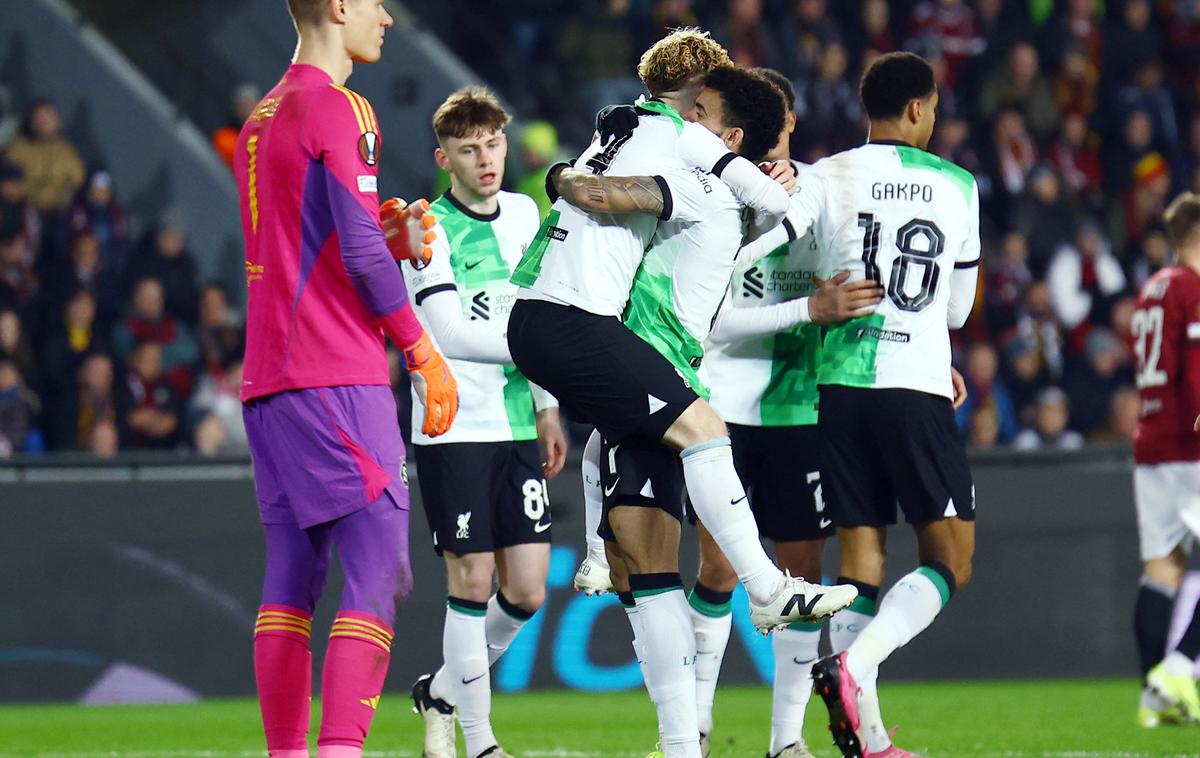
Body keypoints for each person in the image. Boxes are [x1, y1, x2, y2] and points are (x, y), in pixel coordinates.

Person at [544, 65, 858, 758]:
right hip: (695, 386)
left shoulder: (787, 196)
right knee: (680, 563)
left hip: (769, 398)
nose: (691, 118)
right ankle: (695, 725)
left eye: (705, 110)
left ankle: (779, 739)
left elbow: (786, 244)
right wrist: (569, 177)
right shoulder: (701, 182)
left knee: (679, 561)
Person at [234, 2, 458, 757]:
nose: (388, 17)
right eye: (373, 1)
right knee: (380, 571)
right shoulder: (340, 107)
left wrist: (382, 237)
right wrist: (421, 348)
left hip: (269, 380)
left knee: (292, 576)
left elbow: (311, 244)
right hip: (336, 376)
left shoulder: (264, 115)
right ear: (337, 6)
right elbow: (361, 260)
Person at [679, 69, 881, 758]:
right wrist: (809, 308)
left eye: (783, 122)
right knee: (717, 568)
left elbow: (847, 294)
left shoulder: (823, 193)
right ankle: (696, 729)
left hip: (800, 409)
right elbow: (703, 322)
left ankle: (786, 740)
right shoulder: (711, 196)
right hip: (719, 409)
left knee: (803, 575)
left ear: (791, 124)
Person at [800, 52, 979, 758]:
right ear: (915, 109)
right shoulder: (957, 184)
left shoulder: (826, 175)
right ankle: (857, 664)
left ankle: (869, 738)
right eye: (931, 109)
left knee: (860, 561)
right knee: (952, 558)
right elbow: (958, 310)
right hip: (913, 383)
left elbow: (810, 272)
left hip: (838, 385)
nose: (933, 120)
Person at [398, 86, 566, 758]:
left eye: (493, 143)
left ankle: (441, 689)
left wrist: (550, 404)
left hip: (519, 420)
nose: (485, 158)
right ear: (445, 159)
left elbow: (540, 311)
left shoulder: (528, 213)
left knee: (525, 591)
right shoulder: (425, 229)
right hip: (452, 425)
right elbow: (441, 332)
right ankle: (481, 741)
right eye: (468, 149)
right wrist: (548, 357)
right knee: (469, 580)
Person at [1130, 192, 1200, 727]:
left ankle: (1155, 693)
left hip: (1150, 440)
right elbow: (1195, 360)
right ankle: (1178, 668)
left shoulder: (1152, 287)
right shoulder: (1192, 288)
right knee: (1167, 569)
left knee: (1162, 570)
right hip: (1187, 441)